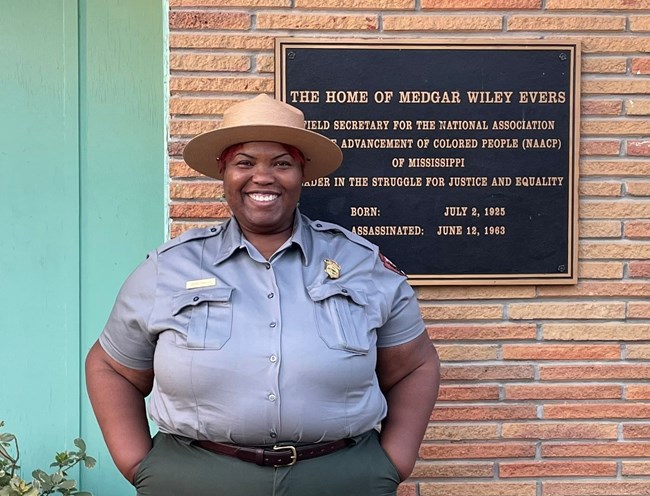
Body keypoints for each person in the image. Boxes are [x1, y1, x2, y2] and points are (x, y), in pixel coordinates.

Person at [86, 94, 440, 496]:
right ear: (224, 172)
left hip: (340, 477)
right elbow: (111, 367)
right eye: (245, 162)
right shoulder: (168, 269)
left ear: (302, 173)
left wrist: (395, 459)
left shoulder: (362, 265)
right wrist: (139, 463)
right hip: (197, 478)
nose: (263, 177)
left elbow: (414, 366)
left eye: (282, 163)